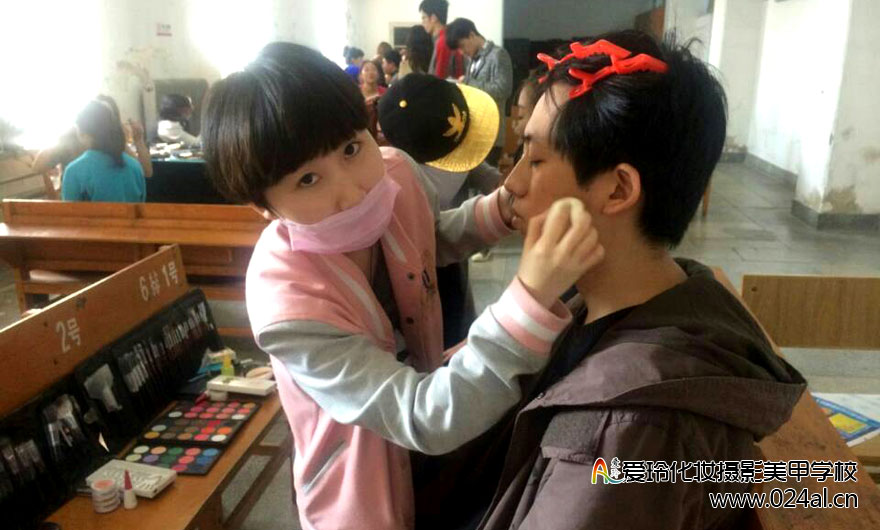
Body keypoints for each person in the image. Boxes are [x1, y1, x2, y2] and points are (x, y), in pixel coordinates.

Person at [201, 42, 603, 530]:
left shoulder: (396, 173)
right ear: (263, 207)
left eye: (352, 149)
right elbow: (421, 416)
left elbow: (426, 239)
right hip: (360, 488)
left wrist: (498, 210)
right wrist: (529, 300)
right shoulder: (288, 304)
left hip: (435, 448)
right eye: (308, 180)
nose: (353, 190)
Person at [429, 31, 807, 530]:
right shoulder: (608, 297)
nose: (512, 183)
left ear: (617, 189)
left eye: (536, 160)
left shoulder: (623, 438)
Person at [378, 73, 503, 347]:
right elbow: (431, 239)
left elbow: (476, 167)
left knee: (461, 319)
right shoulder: (399, 183)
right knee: (443, 332)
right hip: (426, 266)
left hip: (452, 250)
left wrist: (501, 188)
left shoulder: (449, 144)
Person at [446, 18, 513, 167]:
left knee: (487, 176)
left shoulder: (498, 54)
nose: (462, 52)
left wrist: (468, 83)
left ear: (471, 35)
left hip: (491, 131)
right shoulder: (472, 58)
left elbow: (504, 89)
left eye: (462, 46)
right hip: (474, 130)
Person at [61, 100, 145, 202]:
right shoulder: (135, 166)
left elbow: (69, 211)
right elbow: (141, 204)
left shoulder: (74, 171)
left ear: (83, 134)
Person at [419, 0, 464, 80]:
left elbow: (438, 81)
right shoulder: (446, 38)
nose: (422, 23)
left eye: (424, 18)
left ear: (433, 18)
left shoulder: (443, 42)